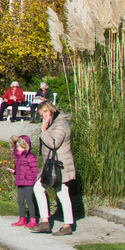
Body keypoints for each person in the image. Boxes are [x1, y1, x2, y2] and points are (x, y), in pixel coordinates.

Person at [31, 101, 77, 236]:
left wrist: (43, 132)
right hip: (52, 165)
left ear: (48, 111)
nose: (42, 118)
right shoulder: (54, 123)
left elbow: (54, 143)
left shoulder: (61, 124)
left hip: (60, 166)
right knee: (40, 189)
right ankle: (45, 221)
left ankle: (67, 224)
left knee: (62, 193)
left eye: (42, 114)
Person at [8, 134, 41, 227]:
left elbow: (35, 170)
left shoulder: (30, 157)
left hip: (29, 183)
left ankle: (33, 220)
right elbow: (19, 170)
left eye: (20, 146)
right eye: (17, 146)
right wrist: (14, 171)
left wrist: (35, 180)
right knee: (20, 201)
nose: (18, 148)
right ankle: (22, 219)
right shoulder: (18, 157)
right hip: (20, 182)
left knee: (29, 201)